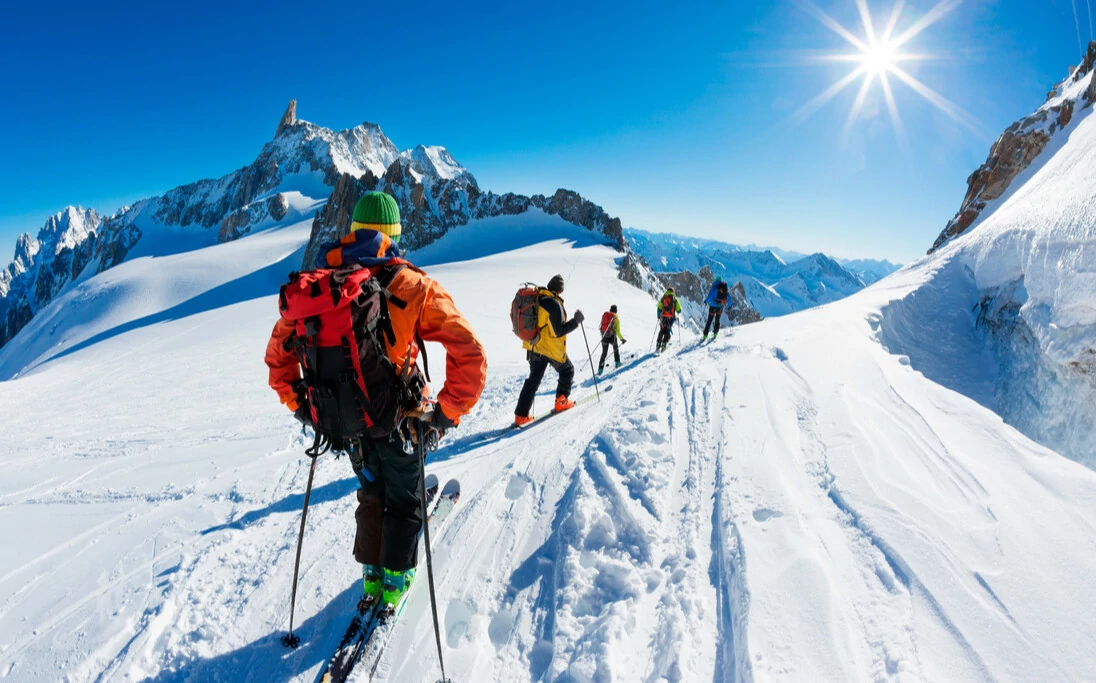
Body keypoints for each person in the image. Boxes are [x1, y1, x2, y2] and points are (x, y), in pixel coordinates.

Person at [265, 191, 486, 610]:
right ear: (395, 234)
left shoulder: (318, 290)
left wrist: (307, 410)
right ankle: (395, 580)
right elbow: (470, 354)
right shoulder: (411, 285)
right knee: (405, 498)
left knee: (371, 492)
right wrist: (443, 415)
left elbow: (279, 361)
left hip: (347, 425)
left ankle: (371, 575)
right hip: (402, 420)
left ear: (352, 233)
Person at [513, 274, 584, 426]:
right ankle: (561, 402)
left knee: (533, 380)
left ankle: (520, 416)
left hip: (534, 347)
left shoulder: (538, 298)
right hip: (549, 349)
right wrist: (576, 321)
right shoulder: (553, 303)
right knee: (567, 370)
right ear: (560, 290)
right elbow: (558, 331)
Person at [597, 304, 626, 374]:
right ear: (616, 311)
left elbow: (601, 326)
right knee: (615, 348)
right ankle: (617, 362)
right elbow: (618, 332)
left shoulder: (605, 316)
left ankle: (600, 369)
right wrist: (622, 339)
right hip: (612, 337)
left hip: (604, 337)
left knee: (604, 353)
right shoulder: (616, 318)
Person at [702, 275, 730, 341]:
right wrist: (730, 305)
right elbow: (729, 297)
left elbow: (709, 297)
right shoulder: (724, 288)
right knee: (717, 320)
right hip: (720, 307)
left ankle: (705, 336)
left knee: (709, 320)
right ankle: (715, 334)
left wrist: (706, 301)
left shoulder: (714, 287)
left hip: (712, 307)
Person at [655, 287, 681, 353]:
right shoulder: (675, 299)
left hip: (663, 317)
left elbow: (659, 308)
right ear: (673, 292)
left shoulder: (663, 298)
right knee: (667, 331)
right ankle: (664, 345)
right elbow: (679, 310)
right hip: (670, 318)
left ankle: (658, 345)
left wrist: (658, 316)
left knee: (661, 331)